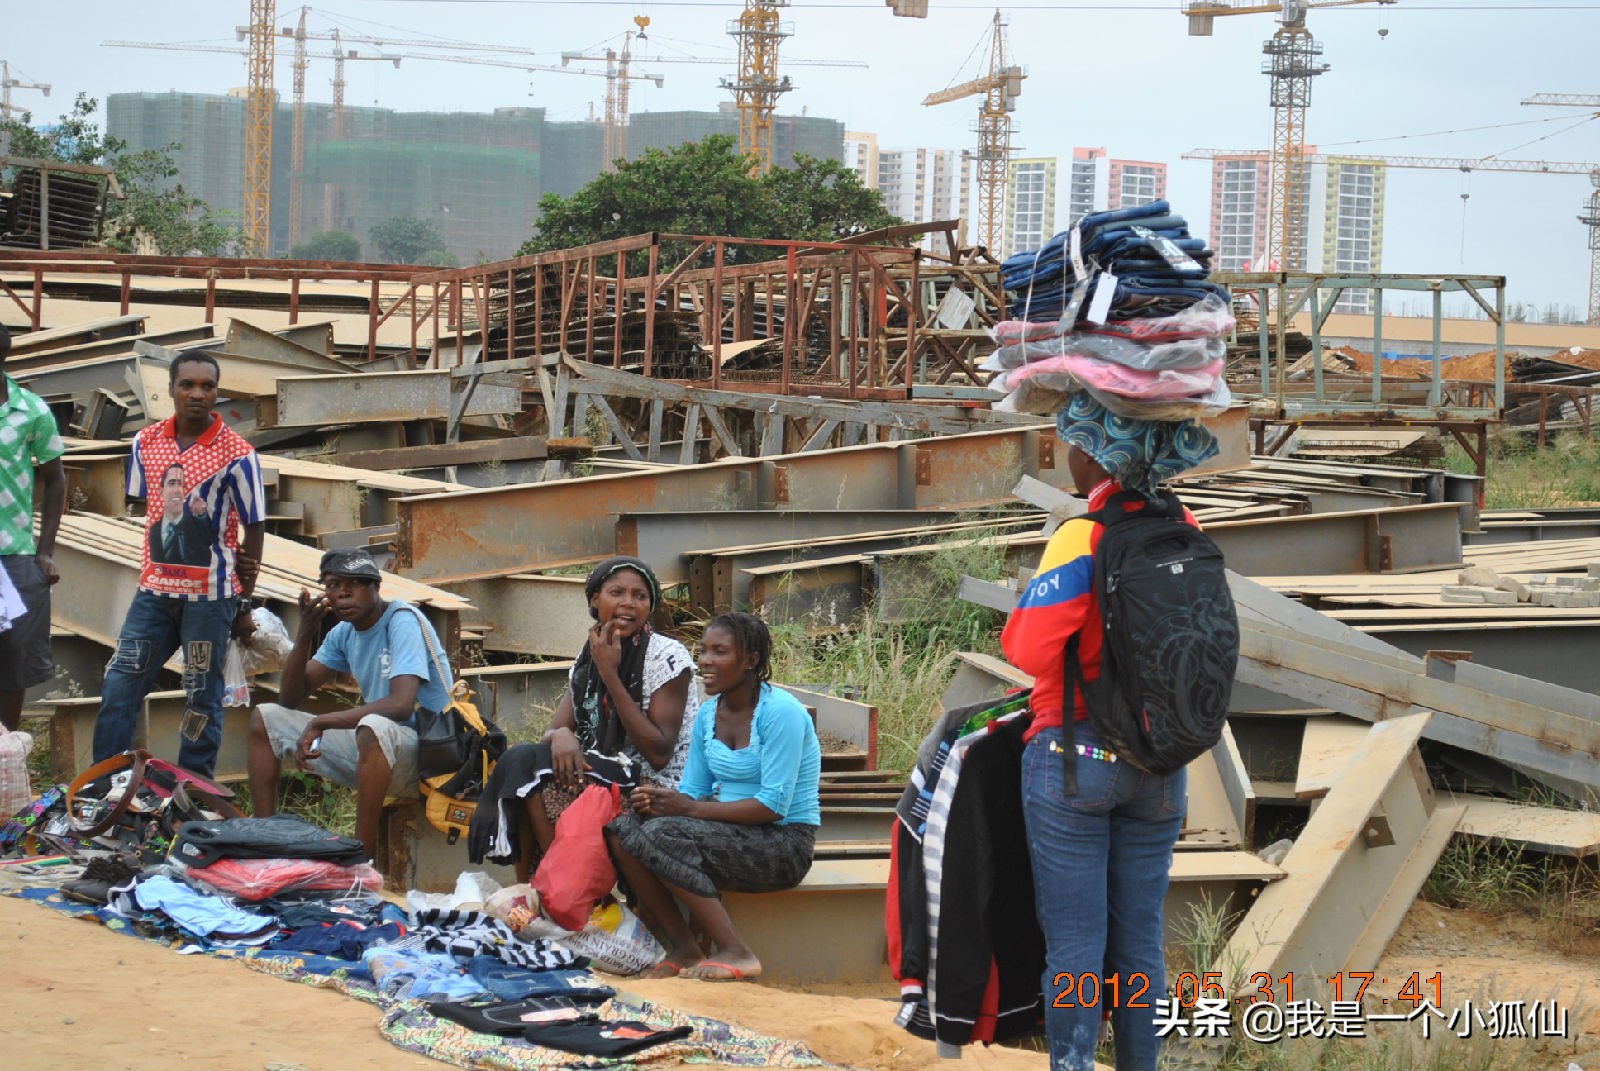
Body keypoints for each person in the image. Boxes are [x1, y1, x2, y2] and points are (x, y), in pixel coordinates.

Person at [1000, 394, 1218, 1071]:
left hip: (1076, 759)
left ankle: (1072, 1063)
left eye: (1071, 440)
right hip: (1161, 763)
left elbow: (1027, 650)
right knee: (1140, 944)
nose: (1065, 453)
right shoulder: (1185, 524)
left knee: (1075, 946)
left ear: (1096, 454)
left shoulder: (1083, 535)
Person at [605, 611, 821, 982]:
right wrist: (658, 802)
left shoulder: (781, 713)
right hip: (729, 831)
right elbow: (693, 791)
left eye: (719, 652)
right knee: (622, 830)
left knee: (662, 834)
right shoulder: (708, 715)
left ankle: (737, 951)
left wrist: (688, 809)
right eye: (703, 651)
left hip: (784, 844)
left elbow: (773, 806)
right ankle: (684, 948)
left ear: (750, 660)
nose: (705, 660)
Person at [92, 353, 265, 779]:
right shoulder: (146, 442)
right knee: (120, 684)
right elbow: (145, 504)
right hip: (153, 596)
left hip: (209, 602)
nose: (197, 394)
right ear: (170, 389)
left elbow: (255, 525)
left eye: (207, 386)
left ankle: (193, 787)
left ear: (217, 393)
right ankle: (104, 784)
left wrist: (242, 599)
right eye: (187, 384)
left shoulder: (238, 454)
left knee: (201, 697)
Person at [479, 556, 697, 882]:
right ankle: (533, 890)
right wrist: (560, 735)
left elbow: (659, 753)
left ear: (650, 606)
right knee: (522, 765)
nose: (628, 603)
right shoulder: (590, 654)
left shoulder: (667, 656)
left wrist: (610, 673)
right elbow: (555, 728)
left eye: (640, 596)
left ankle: (564, 885)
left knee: (534, 782)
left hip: (653, 785)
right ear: (596, 599)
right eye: (617, 592)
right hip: (606, 770)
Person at [246, 548, 454, 860]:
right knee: (266, 718)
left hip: (432, 756)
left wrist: (322, 721)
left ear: (375, 587)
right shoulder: (343, 633)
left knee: (373, 727)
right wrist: (304, 636)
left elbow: (400, 704)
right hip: (379, 751)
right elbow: (289, 698)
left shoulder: (402, 621)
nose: (343, 593)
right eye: (333, 585)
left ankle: (360, 859)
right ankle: (264, 843)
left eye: (354, 584)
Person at [0, 323, 67, 731]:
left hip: (14, 556)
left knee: (14, 659)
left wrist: (45, 551)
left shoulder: (31, 410)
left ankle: (6, 749)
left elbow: (56, 479)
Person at [147, 463, 214, 567]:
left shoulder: (197, 525)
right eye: (171, 483)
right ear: (161, 491)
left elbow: (210, 540)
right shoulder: (154, 530)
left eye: (180, 484)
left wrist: (202, 517)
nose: (177, 490)